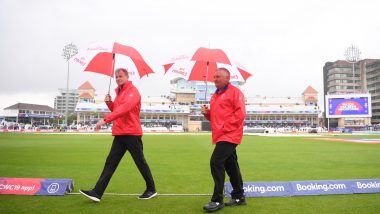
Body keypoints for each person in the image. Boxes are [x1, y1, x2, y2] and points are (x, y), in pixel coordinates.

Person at [79, 68, 157, 202]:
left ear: (127, 76)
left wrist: (104, 120)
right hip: (120, 133)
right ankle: (97, 192)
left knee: (140, 162)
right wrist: (110, 103)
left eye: (120, 76)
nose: (118, 79)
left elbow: (125, 109)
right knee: (110, 162)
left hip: (132, 133)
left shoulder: (133, 92)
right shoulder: (119, 93)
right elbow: (117, 109)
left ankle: (151, 189)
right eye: (116, 77)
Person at [201, 67, 247, 212]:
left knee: (216, 162)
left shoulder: (235, 92)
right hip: (220, 134)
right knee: (231, 165)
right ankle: (239, 196)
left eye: (218, 77)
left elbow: (240, 114)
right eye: (214, 77)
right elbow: (214, 118)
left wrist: (224, 126)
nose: (215, 79)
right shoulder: (214, 96)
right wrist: (207, 113)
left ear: (227, 78)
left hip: (230, 134)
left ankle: (217, 200)